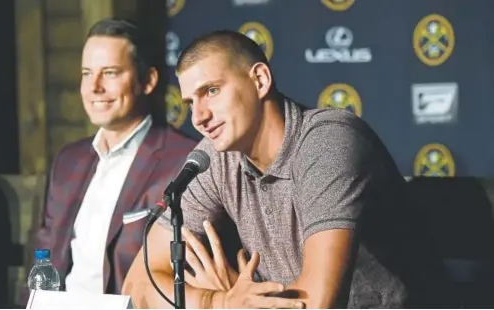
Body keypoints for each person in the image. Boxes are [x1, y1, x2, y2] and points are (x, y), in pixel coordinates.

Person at [122, 30, 451, 308]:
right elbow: (138, 283)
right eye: (190, 102)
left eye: (211, 91)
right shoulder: (214, 157)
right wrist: (218, 301)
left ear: (260, 80)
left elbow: (317, 303)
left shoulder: (328, 141)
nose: (198, 117)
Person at [32, 18, 198, 296]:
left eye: (109, 72)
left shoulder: (184, 160)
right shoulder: (68, 161)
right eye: (87, 73)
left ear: (148, 80)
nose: (94, 86)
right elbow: (42, 262)